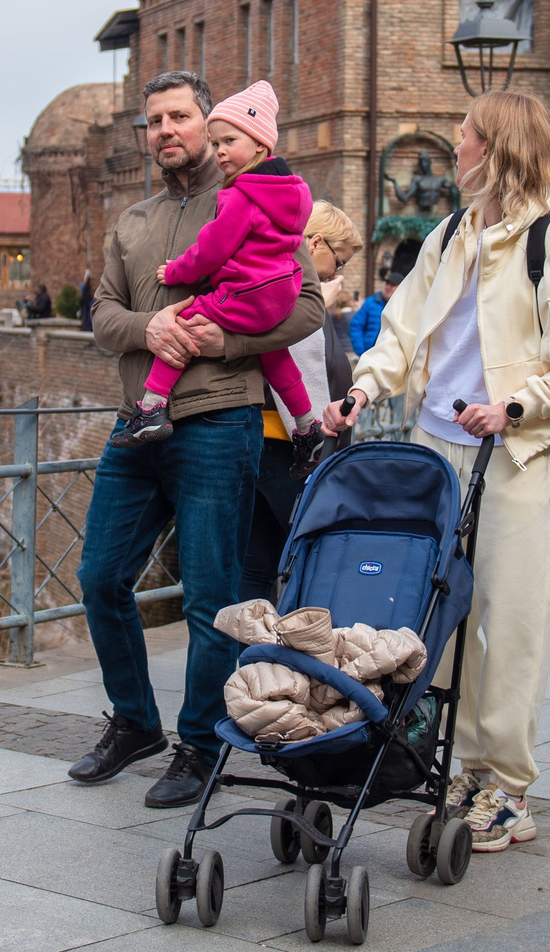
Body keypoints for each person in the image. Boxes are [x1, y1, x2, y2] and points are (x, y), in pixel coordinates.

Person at [320, 91, 550, 853]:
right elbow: (403, 328)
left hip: (512, 453)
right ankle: (456, 761)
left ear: (500, 147)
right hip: (435, 451)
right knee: (440, 619)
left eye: (467, 137)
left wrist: (516, 405)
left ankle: (507, 785)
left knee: (511, 620)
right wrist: (361, 389)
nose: (457, 148)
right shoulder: (451, 233)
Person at [69, 70, 324, 808]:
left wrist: (231, 344)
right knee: (99, 577)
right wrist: (145, 328)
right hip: (137, 422)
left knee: (211, 595)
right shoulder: (133, 222)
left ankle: (202, 743)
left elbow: (307, 305)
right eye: (154, 120)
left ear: (209, 122)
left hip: (219, 418)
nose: (166, 131)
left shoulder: (253, 194)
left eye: (180, 116)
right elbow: (102, 317)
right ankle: (135, 722)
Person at [122, 81, 316, 449]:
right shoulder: (293, 192)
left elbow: (212, 248)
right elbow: (104, 313)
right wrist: (143, 325)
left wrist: (177, 270)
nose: (221, 152)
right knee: (276, 357)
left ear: (260, 143)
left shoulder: (241, 193)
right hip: (278, 292)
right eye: (217, 143)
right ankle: (306, 426)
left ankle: (151, 407)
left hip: (246, 296)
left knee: (186, 320)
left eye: (229, 142)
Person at [237, 201, 361, 605]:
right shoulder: (297, 286)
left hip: (263, 442)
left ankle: (251, 658)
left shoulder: (269, 272)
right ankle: (300, 653)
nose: (336, 273)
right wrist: (312, 437)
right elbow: (303, 363)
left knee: (257, 565)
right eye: (337, 261)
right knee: (312, 559)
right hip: (292, 450)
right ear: (315, 242)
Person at [347, 275, 394, 356]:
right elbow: (356, 325)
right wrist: (361, 351)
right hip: (370, 353)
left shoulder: (400, 306)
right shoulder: (370, 302)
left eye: (393, 285)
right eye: (387, 283)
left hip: (390, 355)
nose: (388, 287)